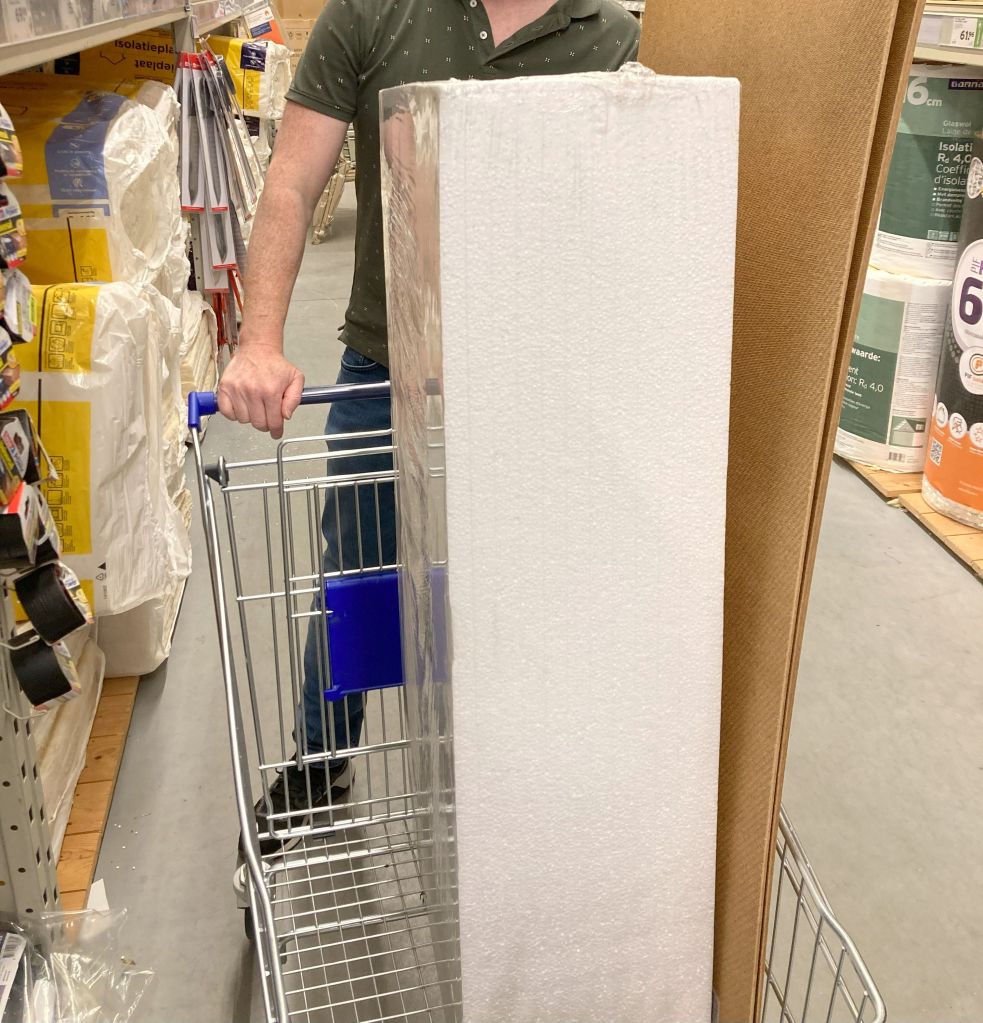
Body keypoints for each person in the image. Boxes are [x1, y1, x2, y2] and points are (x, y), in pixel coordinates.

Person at [217, 0, 640, 850]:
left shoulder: (614, 38)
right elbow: (293, 181)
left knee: (528, 577)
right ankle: (320, 759)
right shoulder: (374, 10)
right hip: (389, 359)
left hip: (533, 377)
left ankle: (517, 757)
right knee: (359, 574)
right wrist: (258, 342)